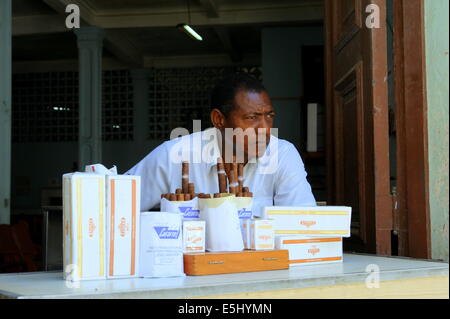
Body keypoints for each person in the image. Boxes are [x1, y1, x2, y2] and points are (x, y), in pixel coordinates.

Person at [125, 73, 316, 216]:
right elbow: (114, 207)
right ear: (219, 119)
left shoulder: (282, 154)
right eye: (251, 118)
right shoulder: (175, 154)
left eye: (269, 116)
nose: (265, 129)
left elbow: (302, 224)